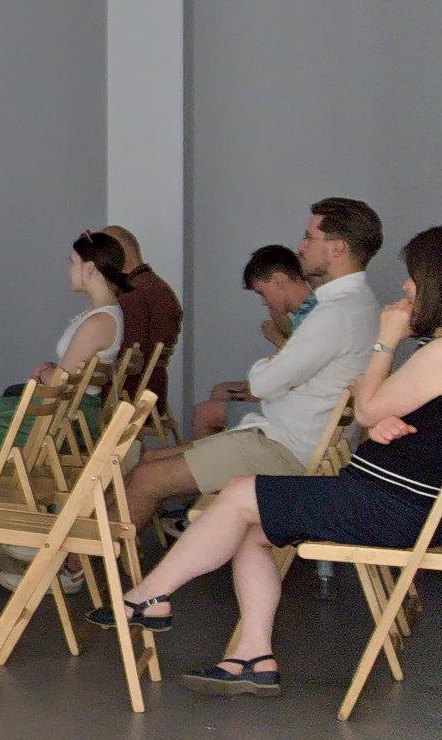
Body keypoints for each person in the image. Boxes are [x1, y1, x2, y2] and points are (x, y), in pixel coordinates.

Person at [94, 225, 442, 698]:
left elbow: (367, 408)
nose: (405, 286)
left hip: (389, 507)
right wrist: (383, 418)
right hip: (393, 501)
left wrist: (385, 343)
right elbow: (388, 411)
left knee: (239, 493)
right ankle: (251, 656)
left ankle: (147, 597)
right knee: (253, 529)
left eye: (413, 276)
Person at [123, 198, 383, 530]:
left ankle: (84, 558)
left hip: (285, 450)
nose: (301, 247)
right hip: (287, 439)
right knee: (148, 462)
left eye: (309, 237)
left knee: (147, 477)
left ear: (338, 247)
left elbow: (263, 384)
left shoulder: (335, 313)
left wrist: (269, 364)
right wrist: (276, 364)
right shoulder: (360, 305)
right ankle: (93, 551)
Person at [0, 229, 127, 467]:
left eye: (72, 262)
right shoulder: (101, 315)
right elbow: (70, 372)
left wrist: (44, 373)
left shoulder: (99, 322)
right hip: (66, 409)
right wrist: (52, 370)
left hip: (66, 417)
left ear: (90, 268)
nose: (68, 269)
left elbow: (59, 381)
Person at [191, 246, 316, 439]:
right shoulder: (306, 313)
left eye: (262, 293)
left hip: (294, 414)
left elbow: (301, 375)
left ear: (278, 281)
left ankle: (220, 455)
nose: (263, 302)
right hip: (290, 399)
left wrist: (261, 393)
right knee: (220, 391)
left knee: (203, 413)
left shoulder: (313, 317)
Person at [105, 225, 182, 403]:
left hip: (128, 394)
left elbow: (125, 355)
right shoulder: (160, 287)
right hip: (153, 389)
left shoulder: (134, 294)